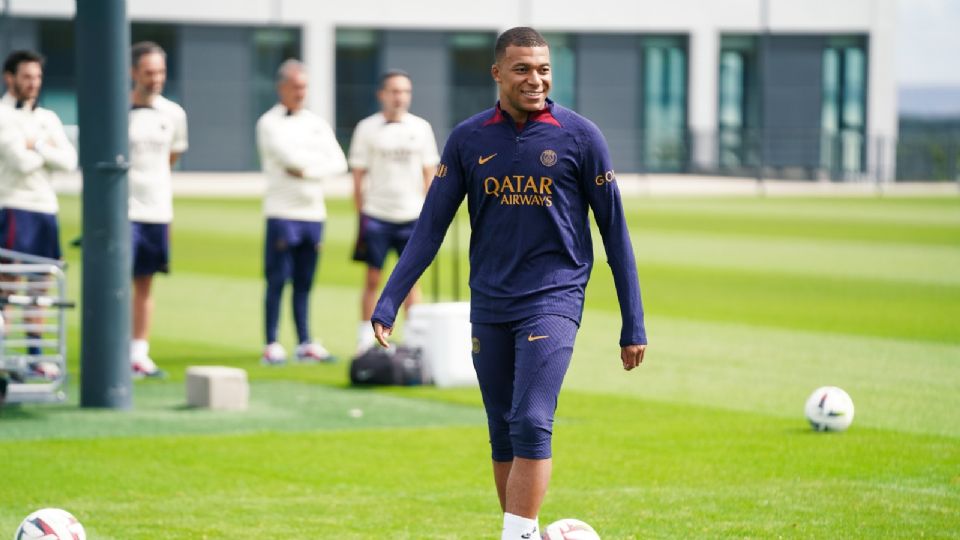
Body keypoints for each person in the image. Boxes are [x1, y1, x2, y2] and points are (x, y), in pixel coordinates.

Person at [371, 27, 647, 540]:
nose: (535, 79)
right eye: (522, 69)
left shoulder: (581, 137)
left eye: (543, 69)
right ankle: (524, 530)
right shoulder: (469, 139)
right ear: (497, 72)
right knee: (502, 429)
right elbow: (429, 228)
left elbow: (616, 234)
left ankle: (514, 537)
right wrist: (389, 301)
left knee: (532, 419)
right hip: (491, 301)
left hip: (555, 296)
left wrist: (634, 322)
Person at [256, 59, 347, 365]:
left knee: (305, 281)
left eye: (304, 86)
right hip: (282, 211)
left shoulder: (315, 123)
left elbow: (338, 162)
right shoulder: (269, 122)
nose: (300, 92)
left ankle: (305, 341)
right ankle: (271, 342)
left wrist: (308, 170)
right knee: (277, 279)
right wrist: (312, 165)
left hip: (313, 213)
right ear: (281, 87)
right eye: (295, 86)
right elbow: (289, 158)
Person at [348, 69, 439, 354]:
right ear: (382, 95)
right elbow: (358, 176)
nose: (400, 97)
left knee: (412, 279)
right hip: (377, 214)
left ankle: (415, 337)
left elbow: (429, 174)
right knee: (373, 278)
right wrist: (361, 214)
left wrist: (429, 214)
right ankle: (365, 336)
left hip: (412, 216)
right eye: (395, 91)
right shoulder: (367, 128)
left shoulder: (421, 128)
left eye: (405, 92)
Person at [0, 50, 77, 377]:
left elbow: (69, 161)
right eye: (26, 77)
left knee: (42, 285)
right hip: (14, 206)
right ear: (10, 78)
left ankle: (36, 355)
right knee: (7, 285)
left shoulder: (47, 118)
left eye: (37, 77)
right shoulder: (2, 115)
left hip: (46, 209)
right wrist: (42, 152)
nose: (33, 83)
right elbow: (20, 161)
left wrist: (39, 146)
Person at [127, 41, 188, 378]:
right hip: (124, 213)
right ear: (133, 72)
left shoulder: (174, 114)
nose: (156, 78)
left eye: (161, 72)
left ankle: (139, 353)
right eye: (149, 72)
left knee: (146, 283)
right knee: (117, 284)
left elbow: (171, 158)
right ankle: (114, 350)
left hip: (157, 212)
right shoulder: (117, 110)